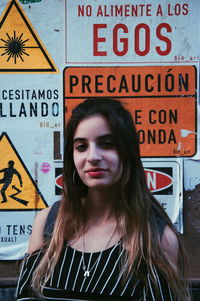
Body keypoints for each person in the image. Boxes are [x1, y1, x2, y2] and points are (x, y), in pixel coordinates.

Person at [16, 98, 190, 301]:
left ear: (128, 152)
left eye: (106, 144)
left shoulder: (156, 240)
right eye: (81, 147)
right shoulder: (48, 224)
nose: (92, 156)